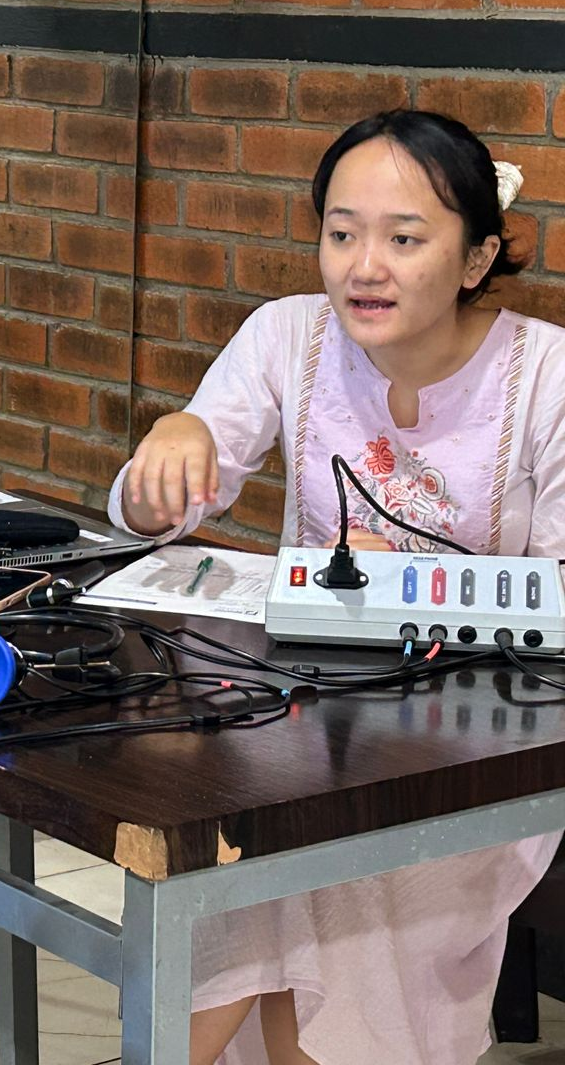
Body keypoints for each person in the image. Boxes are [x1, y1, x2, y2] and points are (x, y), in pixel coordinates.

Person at [110, 109, 565, 1064]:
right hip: (306, 722)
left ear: (478, 259)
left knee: (294, 865)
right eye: (342, 233)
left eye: (405, 240)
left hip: (483, 750)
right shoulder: (287, 335)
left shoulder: (548, 379)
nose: (365, 267)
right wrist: (172, 447)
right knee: (273, 838)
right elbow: (155, 513)